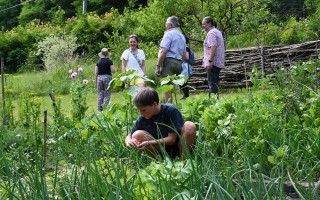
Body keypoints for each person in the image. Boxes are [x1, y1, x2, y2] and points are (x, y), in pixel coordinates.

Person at [125, 87, 197, 159]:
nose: (141, 113)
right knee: (137, 134)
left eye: (143, 110)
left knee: (189, 126)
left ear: (155, 104)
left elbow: (171, 140)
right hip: (161, 149)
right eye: (139, 110)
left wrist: (149, 143)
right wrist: (129, 142)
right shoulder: (142, 117)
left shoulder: (170, 110)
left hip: (179, 146)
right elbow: (130, 135)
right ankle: (159, 161)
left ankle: (184, 160)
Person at [156, 16, 186, 103]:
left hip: (169, 62)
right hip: (178, 63)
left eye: (166, 23)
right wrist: (179, 62)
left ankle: (168, 108)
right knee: (170, 87)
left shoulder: (169, 33)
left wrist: (158, 66)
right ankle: (165, 104)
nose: (165, 25)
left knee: (166, 87)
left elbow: (164, 51)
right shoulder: (182, 36)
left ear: (170, 24)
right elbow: (184, 55)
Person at [202, 16, 225, 98]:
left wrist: (210, 61)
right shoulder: (217, 31)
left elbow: (213, 46)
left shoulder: (211, 33)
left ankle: (214, 101)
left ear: (209, 23)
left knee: (212, 82)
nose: (203, 26)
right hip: (218, 61)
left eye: (204, 24)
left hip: (213, 62)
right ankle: (214, 99)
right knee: (214, 81)